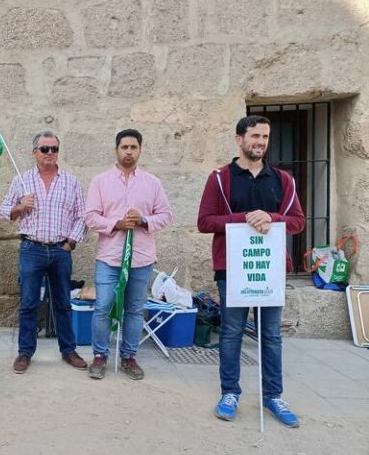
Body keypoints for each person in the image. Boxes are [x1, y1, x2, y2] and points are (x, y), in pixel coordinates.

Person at [197, 115, 305, 427]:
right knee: (231, 333)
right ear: (239, 139)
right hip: (232, 269)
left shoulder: (283, 180)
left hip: (268, 269)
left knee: (270, 335)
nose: (260, 142)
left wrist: (271, 217)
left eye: (265, 137)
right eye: (255, 136)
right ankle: (230, 392)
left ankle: (274, 396)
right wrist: (245, 218)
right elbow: (205, 222)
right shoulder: (220, 178)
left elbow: (297, 221)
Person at [84, 129, 173, 380]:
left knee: (134, 309)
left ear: (140, 150)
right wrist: (116, 224)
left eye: (134, 147)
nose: (129, 151)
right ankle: (100, 355)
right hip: (110, 257)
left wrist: (144, 220)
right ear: (116, 150)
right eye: (124, 147)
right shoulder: (100, 181)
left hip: (141, 257)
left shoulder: (152, 183)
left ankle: (129, 356)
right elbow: (90, 216)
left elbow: (166, 215)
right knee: (103, 306)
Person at [0, 131, 87, 374]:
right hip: (31, 249)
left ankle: (68, 350)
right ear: (34, 152)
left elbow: (82, 215)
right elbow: (4, 210)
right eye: (44, 149)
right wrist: (20, 206)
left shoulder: (71, 181)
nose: (50, 153)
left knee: (63, 302)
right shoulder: (22, 180)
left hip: (60, 250)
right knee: (28, 303)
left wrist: (71, 243)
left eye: (54, 149)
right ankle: (25, 352)